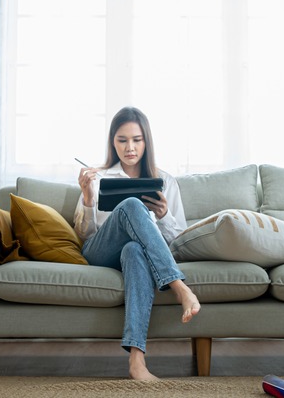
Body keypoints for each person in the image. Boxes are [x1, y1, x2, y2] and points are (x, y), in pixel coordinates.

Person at [73, 106, 200, 381]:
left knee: (133, 250)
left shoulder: (165, 181)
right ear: (113, 142)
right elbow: (84, 234)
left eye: (136, 140)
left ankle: (136, 360)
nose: (129, 147)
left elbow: (179, 241)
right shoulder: (99, 177)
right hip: (100, 252)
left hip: (137, 255)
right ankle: (179, 287)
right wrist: (87, 197)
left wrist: (164, 216)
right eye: (122, 140)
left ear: (146, 142)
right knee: (131, 204)